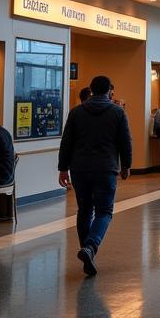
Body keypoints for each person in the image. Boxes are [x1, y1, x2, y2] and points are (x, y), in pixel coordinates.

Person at [58, 75, 132, 275]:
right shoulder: (117, 112)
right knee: (104, 212)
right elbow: (125, 141)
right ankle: (90, 247)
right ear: (109, 91)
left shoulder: (76, 112)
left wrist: (63, 168)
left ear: (91, 89)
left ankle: (86, 250)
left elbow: (67, 142)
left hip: (79, 169)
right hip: (105, 168)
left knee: (84, 210)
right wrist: (126, 165)